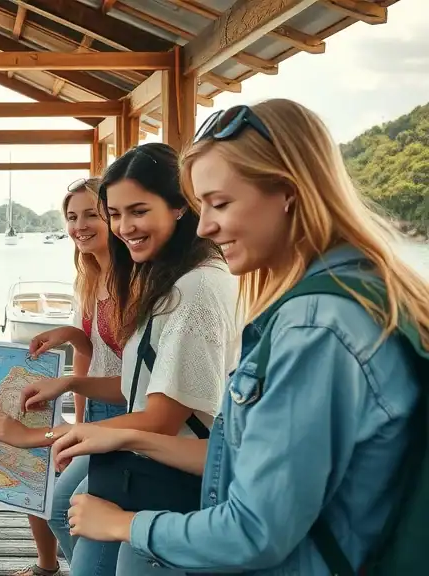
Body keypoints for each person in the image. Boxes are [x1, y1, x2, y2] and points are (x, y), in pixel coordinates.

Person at [51, 100, 429, 575]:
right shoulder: (364, 292)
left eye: (220, 203)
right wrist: (126, 436)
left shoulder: (316, 327)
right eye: (201, 205)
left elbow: (254, 532)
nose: (205, 224)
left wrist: (126, 524)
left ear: (288, 192)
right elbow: (240, 461)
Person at [18, 143, 240, 576]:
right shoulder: (165, 281)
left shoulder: (194, 291)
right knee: (67, 517)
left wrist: (48, 435)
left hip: (172, 478)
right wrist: (68, 384)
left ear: (180, 206)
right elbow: (137, 387)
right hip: (141, 462)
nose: (124, 227)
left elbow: (159, 416)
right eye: (116, 214)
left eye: (138, 211)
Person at [0, 177, 126, 576]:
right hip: (97, 409)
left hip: (125, 415)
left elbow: (136, 379)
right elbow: (94, 354)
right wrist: (71, 336)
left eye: (92, 214)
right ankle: (50, 566)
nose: (80, 225)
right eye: (72, 217)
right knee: (48, 492)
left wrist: (66, 421)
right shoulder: (91, 278)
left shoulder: (134, 282)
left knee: (61, 506)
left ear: (114, 217)